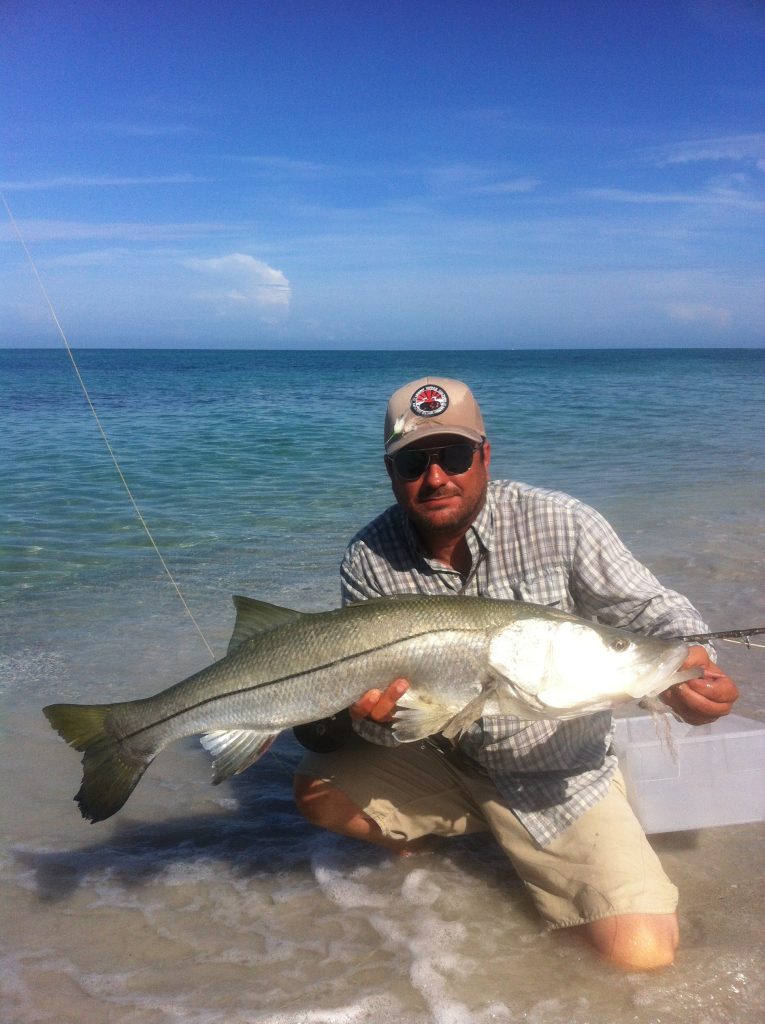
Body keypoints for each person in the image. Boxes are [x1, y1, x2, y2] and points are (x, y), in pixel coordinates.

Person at [293, 376, 739, 971]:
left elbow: (647, 610)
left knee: (641, 957)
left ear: (484, 454)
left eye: (452, 456)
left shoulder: (562, 522)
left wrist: (691, 662)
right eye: (412, 464)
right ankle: (440, 840)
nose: (434, 478)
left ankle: (533, 861)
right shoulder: (368, 558)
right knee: (318, 791)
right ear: (390, 473)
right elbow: (383, 716)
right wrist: (371, 722)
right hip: (444, 756)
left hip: (558, 774)